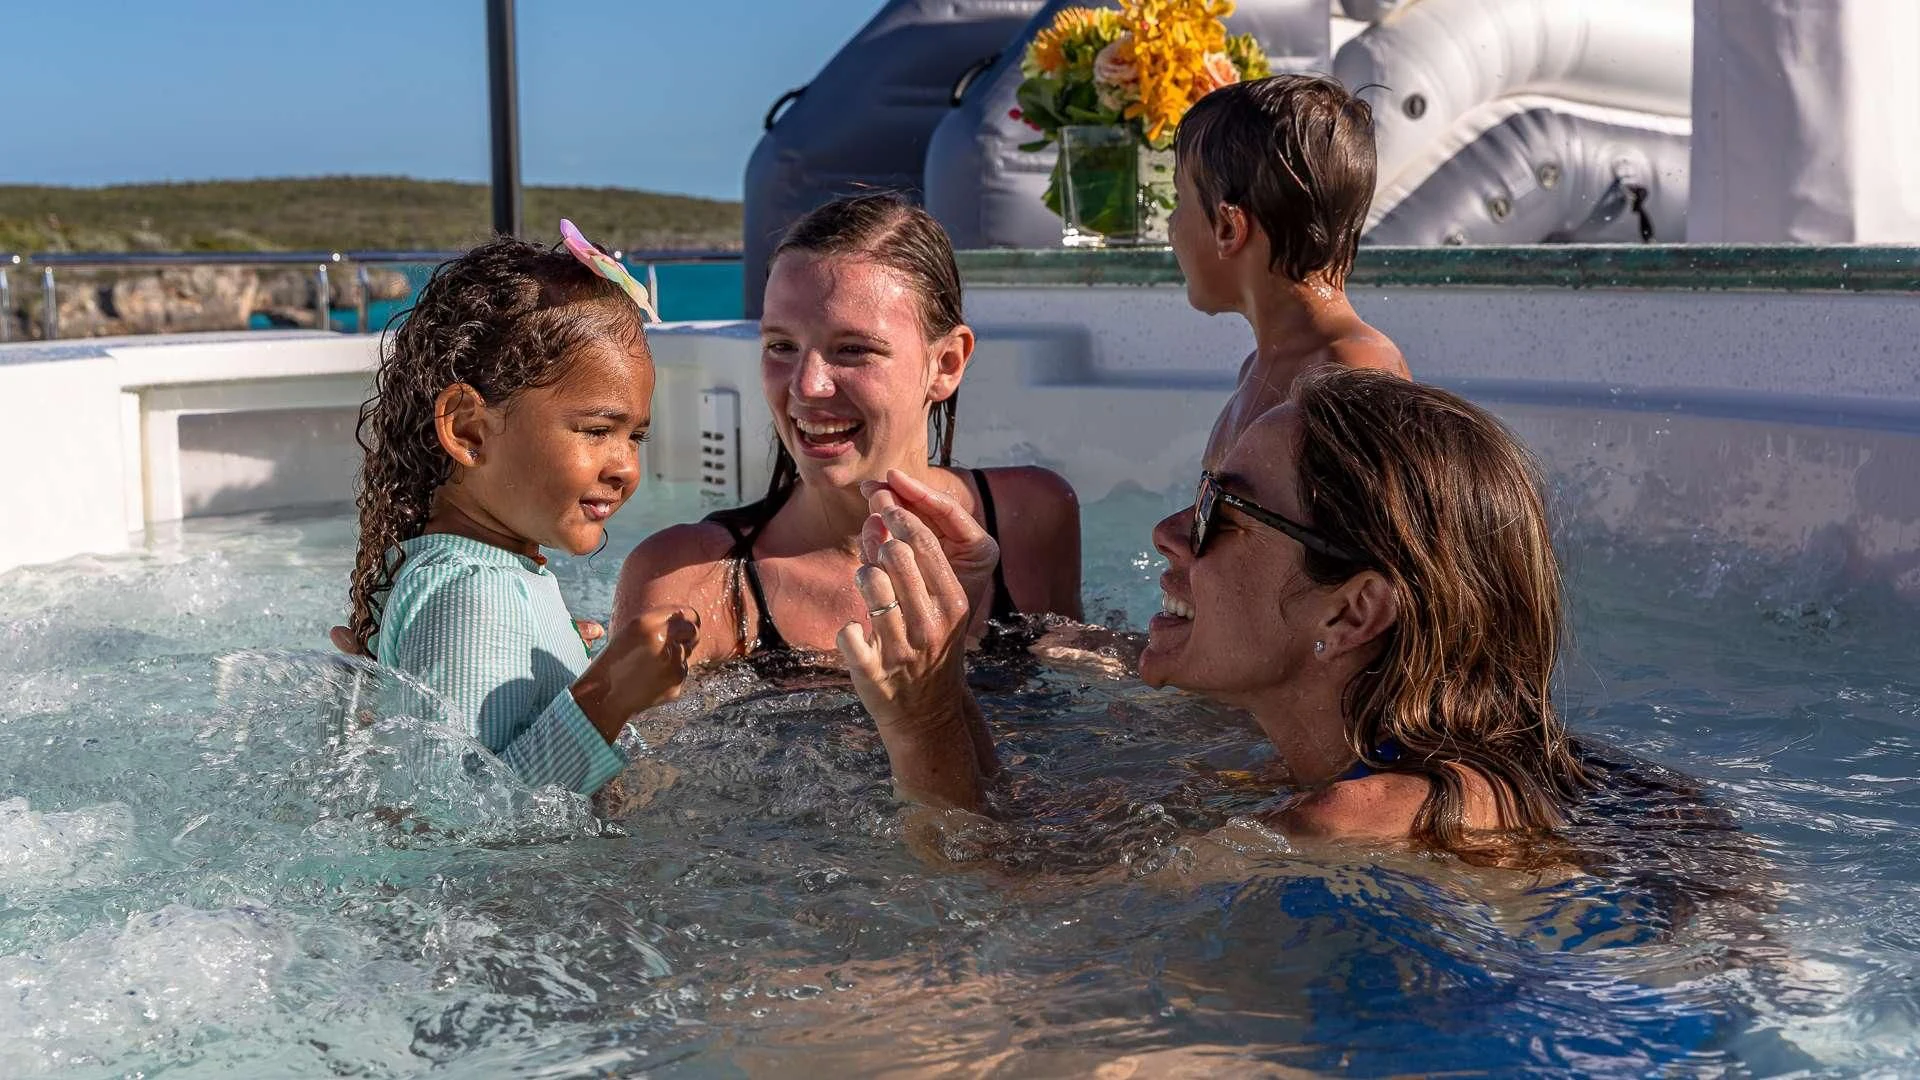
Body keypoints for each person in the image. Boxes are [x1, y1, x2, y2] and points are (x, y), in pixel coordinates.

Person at [837, 369, 1593, 858]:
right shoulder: (1317, 774)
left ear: (1352, 611)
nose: (1168, 533)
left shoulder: (1355, 823)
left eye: (1219, 512)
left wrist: (921, 724)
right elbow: (1026, 846)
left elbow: (1000, 907)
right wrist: (947, 673)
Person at [614, 193, 1083, 675]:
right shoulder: (689, 581)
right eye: (781, 346)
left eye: (853, 349)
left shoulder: (1030, 518)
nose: (806, 386)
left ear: (946, 364)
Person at [343, 224, 697, 797]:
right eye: (597, 430)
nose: (627, 468)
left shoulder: (486, 578)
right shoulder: (473, 596)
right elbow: (449, 823)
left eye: (635, 437)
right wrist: (607, 695)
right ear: (469, 430)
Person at [1170, 74, 1411, 468]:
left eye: (1180, 200)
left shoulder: (1351, 370)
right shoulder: (1258, 369)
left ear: (1229, 228)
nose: (1172, 225)